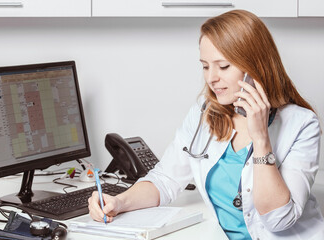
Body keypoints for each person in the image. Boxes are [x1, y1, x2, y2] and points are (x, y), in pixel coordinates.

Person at [88, 9, 324, 239]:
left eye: (223, 66)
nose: (211, 78)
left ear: (255, 67)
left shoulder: (302, 125)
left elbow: (279, 221)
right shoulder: (204, 113)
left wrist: (261, 139)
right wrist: (119, 202)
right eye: (205, 65)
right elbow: (165, 180)